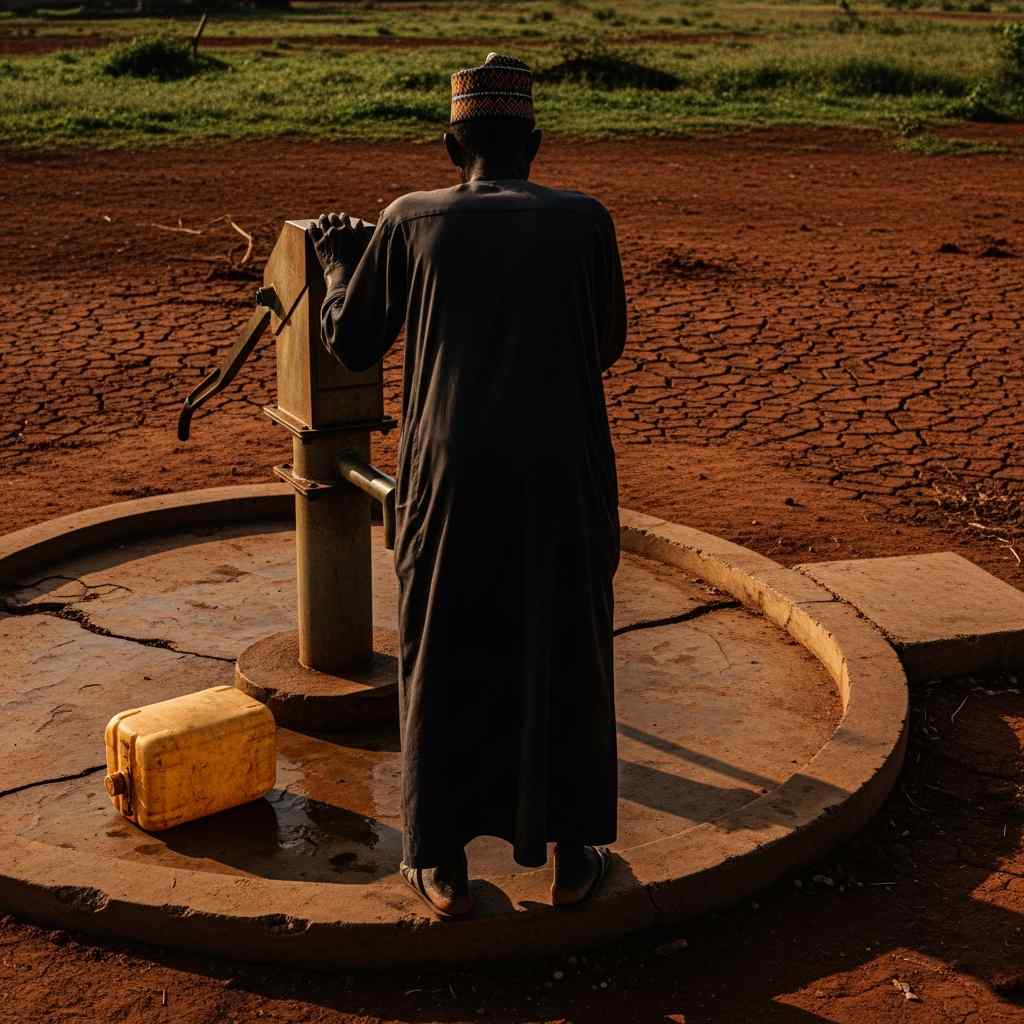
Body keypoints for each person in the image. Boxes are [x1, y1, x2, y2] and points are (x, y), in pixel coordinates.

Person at [308, 52, 627, 919]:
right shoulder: (587, 221)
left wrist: (341, 259)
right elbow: (604, 343)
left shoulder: (409, 221)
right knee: (567, 646)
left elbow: (350, 340)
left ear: (453, 145)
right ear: (536, 141)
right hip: (566, 475)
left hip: (449, 482)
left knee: (442, 649)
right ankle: (571, 859)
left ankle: (438, 861)